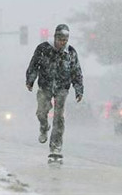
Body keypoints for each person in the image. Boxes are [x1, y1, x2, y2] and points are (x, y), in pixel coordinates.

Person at [26, 24, 84, 155]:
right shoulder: (43, 49)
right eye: (60, 39)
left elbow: (76, 72)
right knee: (41, 112)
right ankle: (44, 126)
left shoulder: (71, 52)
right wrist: (30, 80)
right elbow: (34, 65)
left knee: (58, 117)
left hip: (62, 88)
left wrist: (78, 89)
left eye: (65, 40)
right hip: (45, 86)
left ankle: (55, 145)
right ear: (55, 37)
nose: (62, 42)